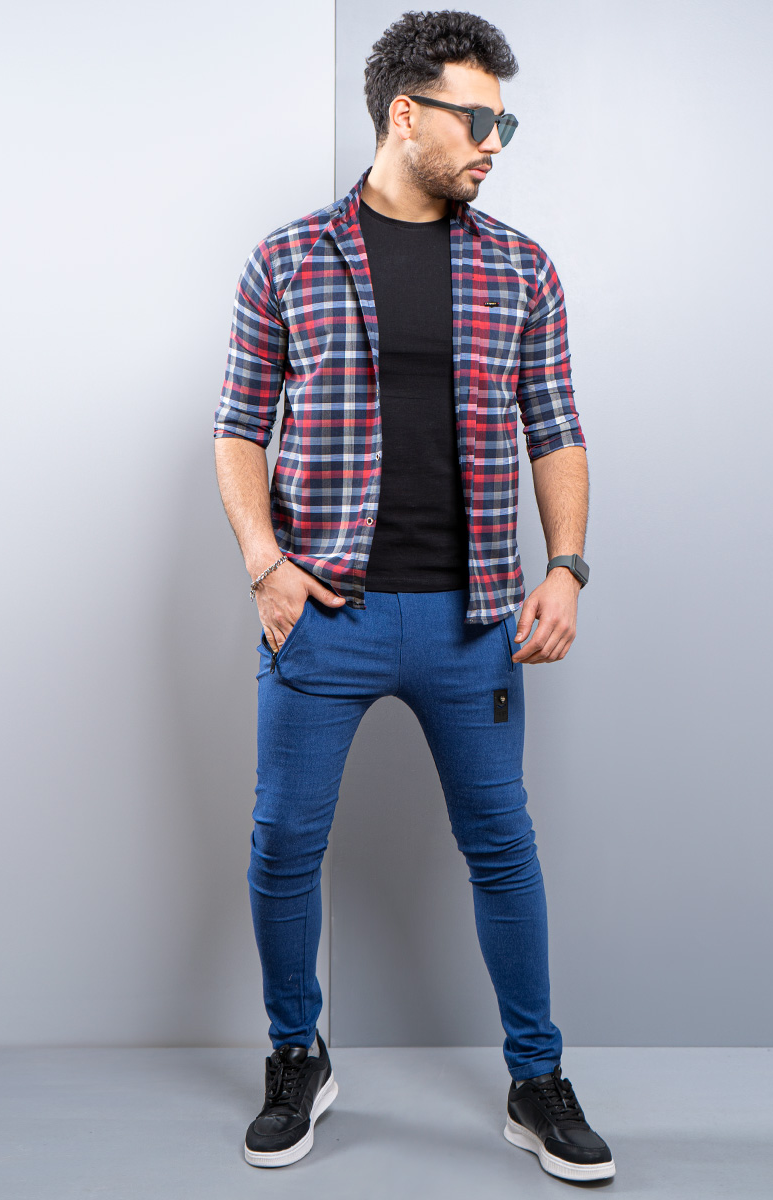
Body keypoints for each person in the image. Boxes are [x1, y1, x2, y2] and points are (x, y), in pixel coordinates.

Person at [212, 9, 613, 1184]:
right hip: (322, 615)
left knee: (503, 847)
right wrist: (265, 564)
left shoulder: (521, 267)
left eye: (505, 124)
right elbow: (238, 428)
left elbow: (557, 427)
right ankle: (298, 1055)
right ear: (405, 113)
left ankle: (536, 1080)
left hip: (473, 621)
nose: (495, 143)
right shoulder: (288, 259)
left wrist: (566, 567)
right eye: (478, 120)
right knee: (284, 842)